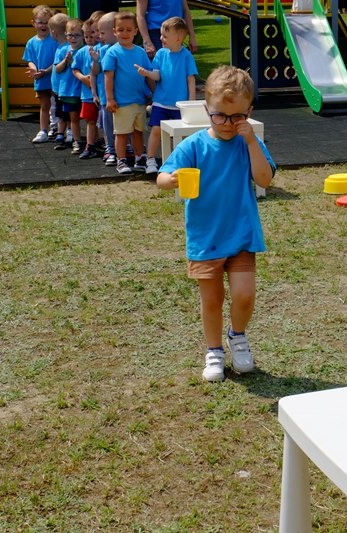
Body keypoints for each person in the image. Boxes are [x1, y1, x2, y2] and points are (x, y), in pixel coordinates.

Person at [156, 65, 275, 382]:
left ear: (249, 112)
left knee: (244, 295)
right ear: (206, 109)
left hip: (241, 234)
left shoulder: (248, 144)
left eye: (237, 117)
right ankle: (214, 351)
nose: (228, 124)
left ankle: (237, 335)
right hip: (205, 237)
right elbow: (162, 178)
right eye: (219, 115)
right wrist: (172, 179)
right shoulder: (194, 145)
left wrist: (252, 142)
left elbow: (265, 179)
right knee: (211, 300)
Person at [135, 16, 198, 178]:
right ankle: (150, 160)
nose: (161, 38)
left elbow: (191, 79)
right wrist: (147, 73)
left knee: (180, 135)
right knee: (156, 129)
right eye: (161, 35)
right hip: (161, 102)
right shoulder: (161, 54)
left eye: (165, 36)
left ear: (178, 38)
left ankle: (179, 162)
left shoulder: (186, 56)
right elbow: (157, 75)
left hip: (179, 105)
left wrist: (191, 102)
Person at [102, 11, 152, 175]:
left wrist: (154, 93)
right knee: (122, 133)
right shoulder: (112, 52)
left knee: (138, 131)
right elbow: (108, 76)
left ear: (136, 31)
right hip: (122, 102)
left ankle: (139, 158)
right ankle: (121, 160)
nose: (125, 33)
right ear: (115, 31)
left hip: (139, 100)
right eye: (120, 30)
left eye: (129, 30)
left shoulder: (140, 52)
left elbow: (148, 75)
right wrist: (110, 98)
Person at [23, 5, 57, 143]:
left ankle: (58, 128)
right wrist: (34, 70)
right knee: (44, 106)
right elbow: (30, 60)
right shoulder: (31, 42)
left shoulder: (55, 39)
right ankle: (43, 130)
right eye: (40, 22)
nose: (43, 25)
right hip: (41, 79)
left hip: (54, 77)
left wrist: (46, 71)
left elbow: (58, 60)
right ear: (33, 23)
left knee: (57, 104)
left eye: (46, 22)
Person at [90, 11, 118, 166]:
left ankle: (126, 147)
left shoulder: (129, 49)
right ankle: (110, 148)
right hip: (106, 96)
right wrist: (95, 61)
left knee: (124, 123)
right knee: (108, 124)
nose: (99, 36)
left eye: (102, 33)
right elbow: (94, 72)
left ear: (114, 31)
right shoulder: (101, 50)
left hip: (123, 96)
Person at [54, 18, 85, 153]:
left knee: (90, 118)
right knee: (73, 117)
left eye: (77, 35)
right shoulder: (63, 50)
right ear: (66, 35)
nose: (73, 38)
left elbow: (84, 70)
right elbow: (57, 69)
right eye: (70, 35)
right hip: (68, 91)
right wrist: (65, 61)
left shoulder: (85, 51)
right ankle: (76, 141)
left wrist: (73, 63)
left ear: (83, 36)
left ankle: (92, 141)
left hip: (83, 90)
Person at [73, 18, 100, 158]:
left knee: (104, 120)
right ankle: (90, 145)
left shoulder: (102, 49)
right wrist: (82, 78)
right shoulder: (82, 52)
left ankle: (104, 143)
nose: (89, 39)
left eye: (92, 35)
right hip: (87, 94)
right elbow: (75, 68)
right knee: (90, 120)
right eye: (86, 36)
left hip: (102, 93)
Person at [48, 13, 72, 146]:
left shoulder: (63, 48)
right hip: (61, 87)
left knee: (64, 111)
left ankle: (67, 132)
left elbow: (58, 68)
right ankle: (63, 132)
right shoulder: (63, 46)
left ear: (53, 32)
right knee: (62, 111)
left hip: (63, 88)